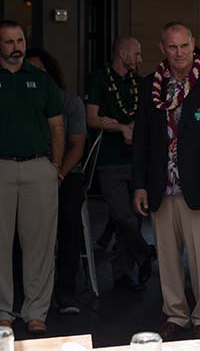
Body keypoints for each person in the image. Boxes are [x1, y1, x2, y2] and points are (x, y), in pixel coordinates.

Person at [132, 21, 200, 340]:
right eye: (172, 47)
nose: (179, 53)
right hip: (161, 186)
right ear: (162, 48)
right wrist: (138, 184)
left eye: (184, 46)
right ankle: (175, 313)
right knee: (167, 257)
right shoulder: (151, 84)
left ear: (194, 45)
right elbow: (142, 141)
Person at [0, 20, 65, 334]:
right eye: (10, 42)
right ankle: (3, 312)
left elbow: (57, 127)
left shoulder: (41, 80)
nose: (17, 47)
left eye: (20, 40)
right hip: (1, 167)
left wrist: (55, 166)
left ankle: (36, 313)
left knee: (40, 244)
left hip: (39, 167)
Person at [86, 35, 152, 292]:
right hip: (110, 159)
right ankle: (144, 252)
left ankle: (122, 273)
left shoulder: (139, 83)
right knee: (122, 215)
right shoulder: (99, 78)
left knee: (135, 218)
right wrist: (122, 127)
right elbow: (92, 118)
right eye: (136, 54)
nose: (139, 59)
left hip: (136, 159)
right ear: (123, 54)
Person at [25, 48, 87, 315]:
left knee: (69, 219)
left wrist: (58, 173)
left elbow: (77, 146)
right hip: (29, 172)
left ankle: (66, 290)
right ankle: (22, 292)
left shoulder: (69, 101)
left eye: (41, 71)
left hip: (66, 173)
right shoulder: (17, 101)